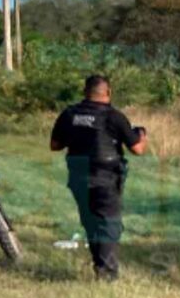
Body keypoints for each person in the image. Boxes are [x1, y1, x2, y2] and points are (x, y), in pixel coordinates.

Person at [50, 76, 148, 281]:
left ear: (85, 92)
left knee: (91, 221)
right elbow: (138, 149)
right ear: (108, 92)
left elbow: (55, 145)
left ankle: (100, 266)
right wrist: (141, 135)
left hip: (78, 177)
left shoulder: (69, 114)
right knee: (108, 223)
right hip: (105, 177)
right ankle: (107, 275)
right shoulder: (114, 117)